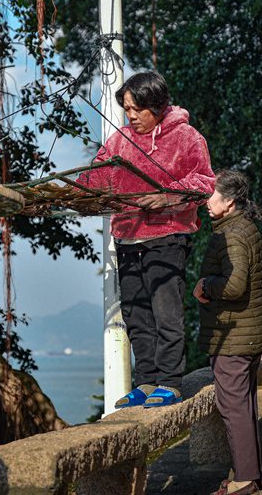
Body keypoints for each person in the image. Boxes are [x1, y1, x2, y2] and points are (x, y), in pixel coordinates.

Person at [79, 71, 215, 408]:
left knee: (165, 311)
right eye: (127, 109)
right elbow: (97, 176)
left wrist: (167, 197)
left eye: (137, 109)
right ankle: (146, 381)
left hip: (167, 237)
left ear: (157, 105)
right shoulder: (120, 140)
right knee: (135, 313)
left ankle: (169, 382)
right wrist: (76, 190)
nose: (131, 116)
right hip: (127, 237)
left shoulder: (186, 137)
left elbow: (204, 182)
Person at [192, 169, 262, 495]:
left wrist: (205, 284)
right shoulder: (243, 227)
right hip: (248, 332)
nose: (205, 201)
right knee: (244, 405)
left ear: (229, 201)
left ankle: (245, 480)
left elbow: (235, 285)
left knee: (234, 408)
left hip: (234, 336)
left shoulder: (232, 234)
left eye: (211, 195)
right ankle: (249, 473)